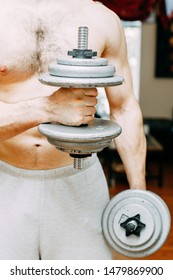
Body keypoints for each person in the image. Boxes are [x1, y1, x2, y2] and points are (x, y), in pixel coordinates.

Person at [0, 0, 146, 260]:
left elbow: (124, 108)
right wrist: (47, 108)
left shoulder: (101, 18)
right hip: (5, 180)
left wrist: (139, 195)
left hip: (78, 181)